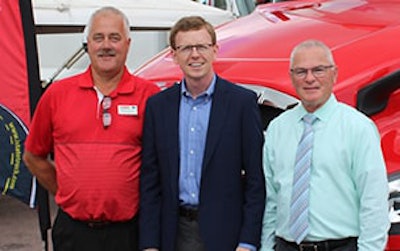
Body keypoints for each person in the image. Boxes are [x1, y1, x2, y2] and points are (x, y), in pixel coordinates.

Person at [23, 6, 159, 251]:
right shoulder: (57, 94)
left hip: (131, 232)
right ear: (87, 44)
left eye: (114, 38)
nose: (106, 45)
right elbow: (33, 156)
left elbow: (162, 163)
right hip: (74, 232)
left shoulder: (150, 96)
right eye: (98, 38)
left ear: (127, 44)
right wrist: (66, 191)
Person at [139, 16, 265, 251]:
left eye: (202, 47)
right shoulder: (158, 107)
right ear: (174, 55)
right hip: (174, 233)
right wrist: (149, 243)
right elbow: (150, 182)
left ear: (215, 50)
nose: (194, 54)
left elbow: (256, 181)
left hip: (227, 234)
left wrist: (247, 242)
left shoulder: (242, 103)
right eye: (186, 48)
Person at [260, 39, 390, 251]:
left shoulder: (358, 128)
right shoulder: (278, 129)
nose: (310, 78)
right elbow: (272, 199)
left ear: (334, 74)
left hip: (341, 246)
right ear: (292, 77)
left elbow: (374, 202)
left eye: (318, 70)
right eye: (301, 71)